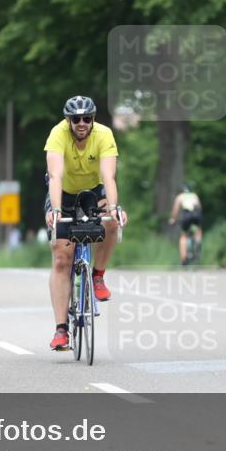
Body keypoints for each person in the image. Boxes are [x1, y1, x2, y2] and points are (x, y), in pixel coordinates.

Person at [44, 95, 127, 351]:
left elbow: (109, 177)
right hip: (64, 194)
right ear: (68, 121)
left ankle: (98, 276)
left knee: (111, 222)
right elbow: (55, 176)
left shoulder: (104, 135)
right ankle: (61, 330)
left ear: (93, 119)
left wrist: (113, 207)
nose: (82, 123)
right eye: (76, 119)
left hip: (94, 192)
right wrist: (56, 209)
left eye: (87, 118)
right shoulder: (58, 134)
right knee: (61, 257)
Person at [168, 184, 203, 265]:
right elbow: (200, 207)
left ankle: (184, 258)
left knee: (183, 236)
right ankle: (198, 242)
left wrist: (173, 219)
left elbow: (175, 209)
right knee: (198, 230)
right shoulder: (194, 195)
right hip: (196, 214)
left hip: (187, 215)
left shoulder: (180, 196)